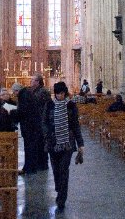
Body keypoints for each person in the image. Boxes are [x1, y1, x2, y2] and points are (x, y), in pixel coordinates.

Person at [42, 81, 84, 212]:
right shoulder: (49, 105)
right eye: (58, 94)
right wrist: (47, 134)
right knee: (55, 169)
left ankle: (62, 198)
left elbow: (76, 125)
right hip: (53, 142)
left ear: (65, 93)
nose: (60, 96)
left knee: (63, 169)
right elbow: (44, 122)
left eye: (62, 93)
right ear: (55, 93)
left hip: (67, 143)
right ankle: (59, 187)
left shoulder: (71, 105)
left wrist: (81, 143)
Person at [17, 74, 50, 174]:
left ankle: (42, 164)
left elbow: (36, 104)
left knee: (41, 143)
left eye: (32, 80)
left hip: (40, 120)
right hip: (37, 121)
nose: (30, 82)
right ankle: (39, 164)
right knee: (38, 144)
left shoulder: (42, 91)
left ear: (38, 82)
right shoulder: (34, 91)